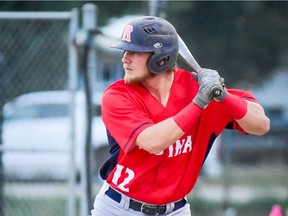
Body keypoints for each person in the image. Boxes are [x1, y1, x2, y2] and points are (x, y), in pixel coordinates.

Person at [91, 16, 270, 216]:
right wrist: (199, 103)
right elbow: (153, 142)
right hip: (119, 208)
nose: (125, 58)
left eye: (135, 52)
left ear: (161, 58)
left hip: (175, 209)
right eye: (126, 50)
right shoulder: (118, 95)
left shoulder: (198, 88)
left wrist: (222, 95)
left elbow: (260, 124)